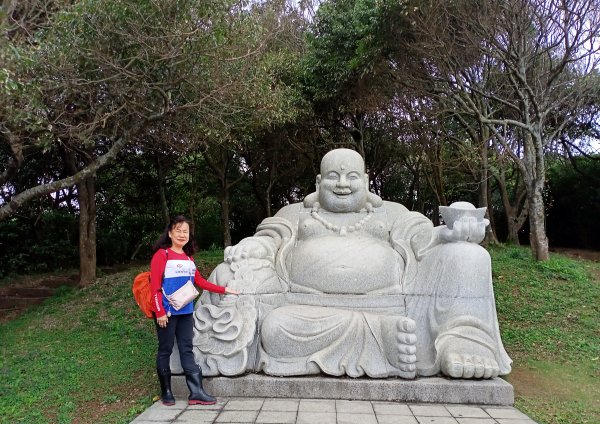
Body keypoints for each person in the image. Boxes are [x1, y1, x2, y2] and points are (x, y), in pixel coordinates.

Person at [194, 148, 512, 380]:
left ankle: (463, 339)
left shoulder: (391, 212)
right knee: (275, 330)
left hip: (392, 305)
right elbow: (270, 237)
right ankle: (383, 339)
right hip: (305, 312)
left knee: (468, 255)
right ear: (319, 182)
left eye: (351, 177)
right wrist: (253, 245)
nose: (342, 183)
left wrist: (453, 230)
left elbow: (424, 239)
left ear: (366, 180)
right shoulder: (296, 214)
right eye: (333, 177)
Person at [150, 215, 239, 406]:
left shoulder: (189, 258)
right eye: (178, 230)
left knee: (187, 350)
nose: (182, 234)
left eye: (186, 231)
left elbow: (199, 281)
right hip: (167, 313)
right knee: (165, 350)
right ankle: (166, 392)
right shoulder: (162, 255)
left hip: (186, 312)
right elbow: (155, 287)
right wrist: (160, 312)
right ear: (170, 233)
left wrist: (224, 289)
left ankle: (196, 392)